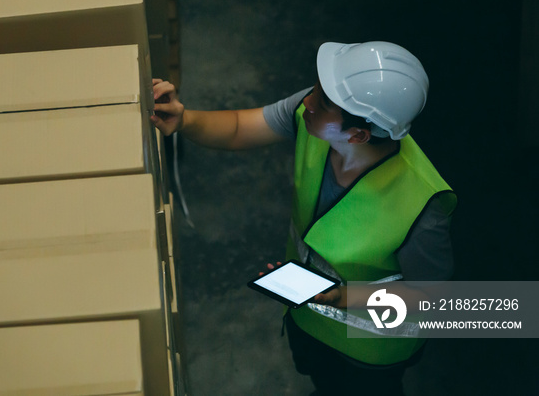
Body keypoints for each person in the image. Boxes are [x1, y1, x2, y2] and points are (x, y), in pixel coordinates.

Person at [151, 41, 457, 396]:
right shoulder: (315, 116)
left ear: (358, 134)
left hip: (370, 350)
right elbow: (238, 127)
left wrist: (342, 297)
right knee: (323, 382)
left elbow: (433, 298)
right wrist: (184, 119)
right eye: (317, 90)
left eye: (324, 103)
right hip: (309, 317)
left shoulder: (422, 206)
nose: (308, 102)